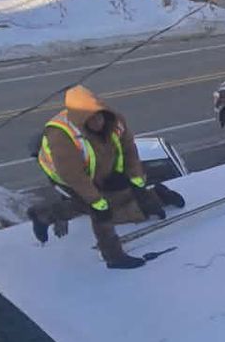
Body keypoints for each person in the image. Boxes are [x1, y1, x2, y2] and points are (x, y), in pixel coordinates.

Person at [26, 86, 180, 270]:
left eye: (99, 116)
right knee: (99, 211)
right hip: (66, 178)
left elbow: (130, 151)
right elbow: (73, 175)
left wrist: (137, 181)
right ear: (82, 121)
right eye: (92, 119)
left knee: (119, 195)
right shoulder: (61, 136)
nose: (98, 122)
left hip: (99, 168)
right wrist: (97, 202)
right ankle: (113, 256)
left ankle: (43, 215)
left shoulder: (115, 121)